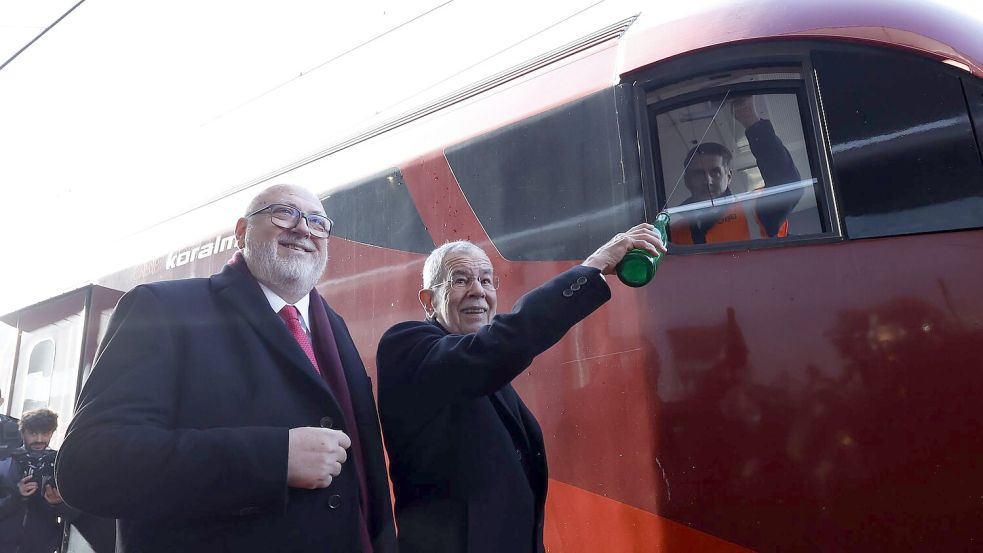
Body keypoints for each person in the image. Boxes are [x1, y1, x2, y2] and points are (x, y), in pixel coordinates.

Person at [56, 184, 396, 553]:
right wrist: (273, 459)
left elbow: (368, 475)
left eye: (317, 222)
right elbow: (87, 466)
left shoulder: (335, 330)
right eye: (283, 213)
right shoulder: (161, 309)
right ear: (241, 233)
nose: (303, 228)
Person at [376, 224, 666, 553]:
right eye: (460, 280)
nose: (477, 291)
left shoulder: (478, 362)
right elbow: (501, 345)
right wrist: (593, 266)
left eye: (486, 280)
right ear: (428, 300)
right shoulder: (407, 346)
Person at [670, 95, 803, 245]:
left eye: (715, 172)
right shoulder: (670, 229)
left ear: (729, 176)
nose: (708, 180)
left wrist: (751, 120)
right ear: (687, 181)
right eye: (699, 173)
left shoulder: (755, 210)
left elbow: (787, 184)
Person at [0, 408, 79, 553]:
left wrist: (58, 504)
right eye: (33, 433)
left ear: (52, 433)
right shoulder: (5, 462)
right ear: (22, 432)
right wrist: (17, 495)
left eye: (45, 433)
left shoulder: (60, 464)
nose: (39, 439)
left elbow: (77, 514)